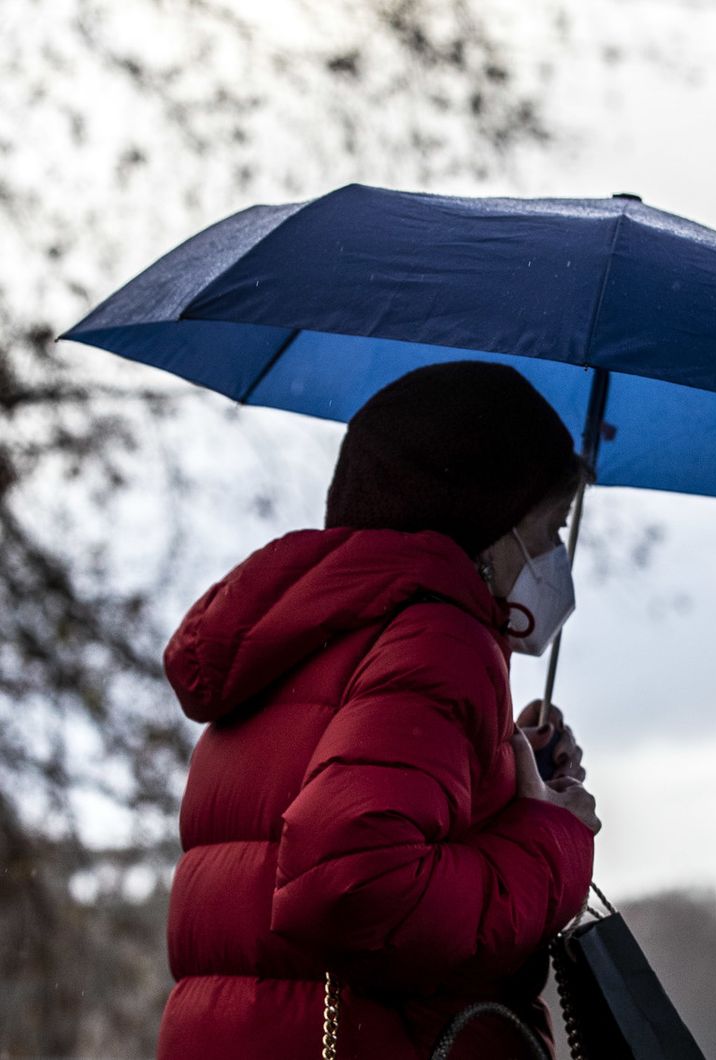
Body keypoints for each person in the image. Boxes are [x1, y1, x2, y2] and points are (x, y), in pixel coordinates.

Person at [156, 362, 601, 1059]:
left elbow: (331, 798)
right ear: (487, 522)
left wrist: (499, 781)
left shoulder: (309, 631)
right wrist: (552, 838)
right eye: (550, 529)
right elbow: (357, 889)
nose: (556, 557)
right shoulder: (440, 641)